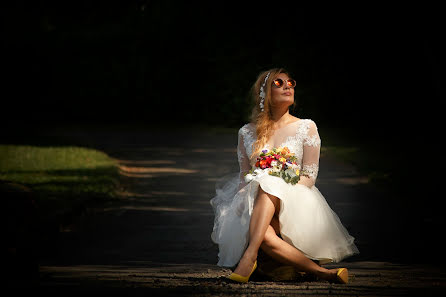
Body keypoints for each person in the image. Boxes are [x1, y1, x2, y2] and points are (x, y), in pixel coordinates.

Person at [210, 68, 359, 284]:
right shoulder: (246, 132)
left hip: (295, 198)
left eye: (290, 82)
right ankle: (325, 274)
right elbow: (245, 177)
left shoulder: (306, 127)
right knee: (266, 236)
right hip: (256, 201)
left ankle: (248, 257)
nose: (287, 86)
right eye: (278, 83)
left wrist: (278, 177)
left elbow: (308, 177)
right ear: (264, 93)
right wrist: (240, 204)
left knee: (268, 182)